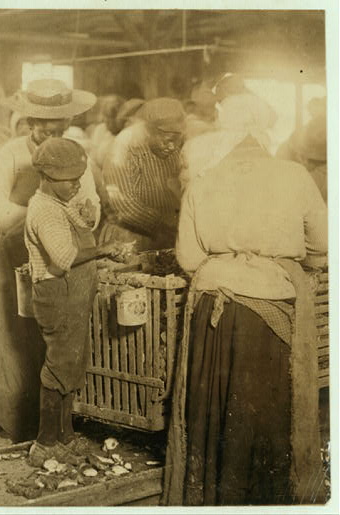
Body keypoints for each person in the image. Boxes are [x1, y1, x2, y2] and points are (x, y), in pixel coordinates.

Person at [164, 96, 328, 505]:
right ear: (264, 131)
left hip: (212, 309)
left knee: (213, 410)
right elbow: (324, 245)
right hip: (270, 306)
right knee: (263, 409)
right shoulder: (294, 175)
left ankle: (212, 495)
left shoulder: (203, 180)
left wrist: (228, 264)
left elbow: (189, 258)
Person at [0, 78, 99, 443]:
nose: (51, 131)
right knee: (15, 339)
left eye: (58, 126)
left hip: (60, 259)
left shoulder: (74, 152)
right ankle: (14, 421)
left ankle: (55, 426)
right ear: (30, 123)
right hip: (15, 253)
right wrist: (37, 218)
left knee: (56, 341)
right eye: (44, 126)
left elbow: (88, 199)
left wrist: (89, 214)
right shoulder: (10, 153)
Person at [24, 138, 120, 465]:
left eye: (79, 178)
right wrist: (106, 249)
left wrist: (85, 213)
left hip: (73, 294)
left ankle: (65, 437)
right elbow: (64, 256)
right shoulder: (44, 210)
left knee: (71, 364)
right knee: (58, 365)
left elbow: (80, 227)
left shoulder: (61, 203)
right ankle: (45, 443)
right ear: (47, 178)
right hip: (57, 294)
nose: (76, 185)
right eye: (69, 180)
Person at [101, 97, 185, 250]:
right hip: (128, 238)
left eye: (176, 140)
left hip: (166, 235)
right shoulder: (124, 147)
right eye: (167, 140)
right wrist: (166, 224)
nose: (172, 147)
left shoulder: (173, 149)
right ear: (148, 131)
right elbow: (123, 205)